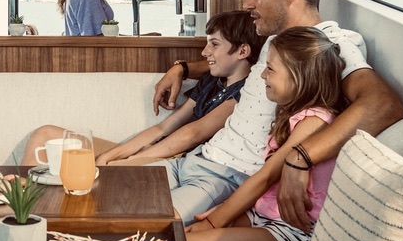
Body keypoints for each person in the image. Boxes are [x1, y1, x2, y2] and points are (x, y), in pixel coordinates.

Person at [151, 0, 403, 226]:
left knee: (137, 224)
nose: (247, 3)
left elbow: (382, 104)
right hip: (199, 157)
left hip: (231, 177)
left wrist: (301, 156)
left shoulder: (331, 45)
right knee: (117, 192)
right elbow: (235, 59)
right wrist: (183, 68)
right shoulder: (276, 41)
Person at [183, 26, 344, 241]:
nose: (262, 76)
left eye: (270, 69)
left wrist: (214, 222)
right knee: (178, 235)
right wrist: (224, 211)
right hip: (261, 214)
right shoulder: (291, 116)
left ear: (299, 76)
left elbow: (267, 176)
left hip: (292, 231)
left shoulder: (315, 122)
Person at [21, 10, 263, 167]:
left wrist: (130, 161)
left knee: (108, 168)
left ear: (243, 51)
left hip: (175, 162)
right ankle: (22, 211)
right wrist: (113, 155)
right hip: (152, 152)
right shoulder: (212, 80)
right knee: (44, 134)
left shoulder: (246, 94)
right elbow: (163, 127)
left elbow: (192, 134)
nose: (204, 51)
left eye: (214, 44)